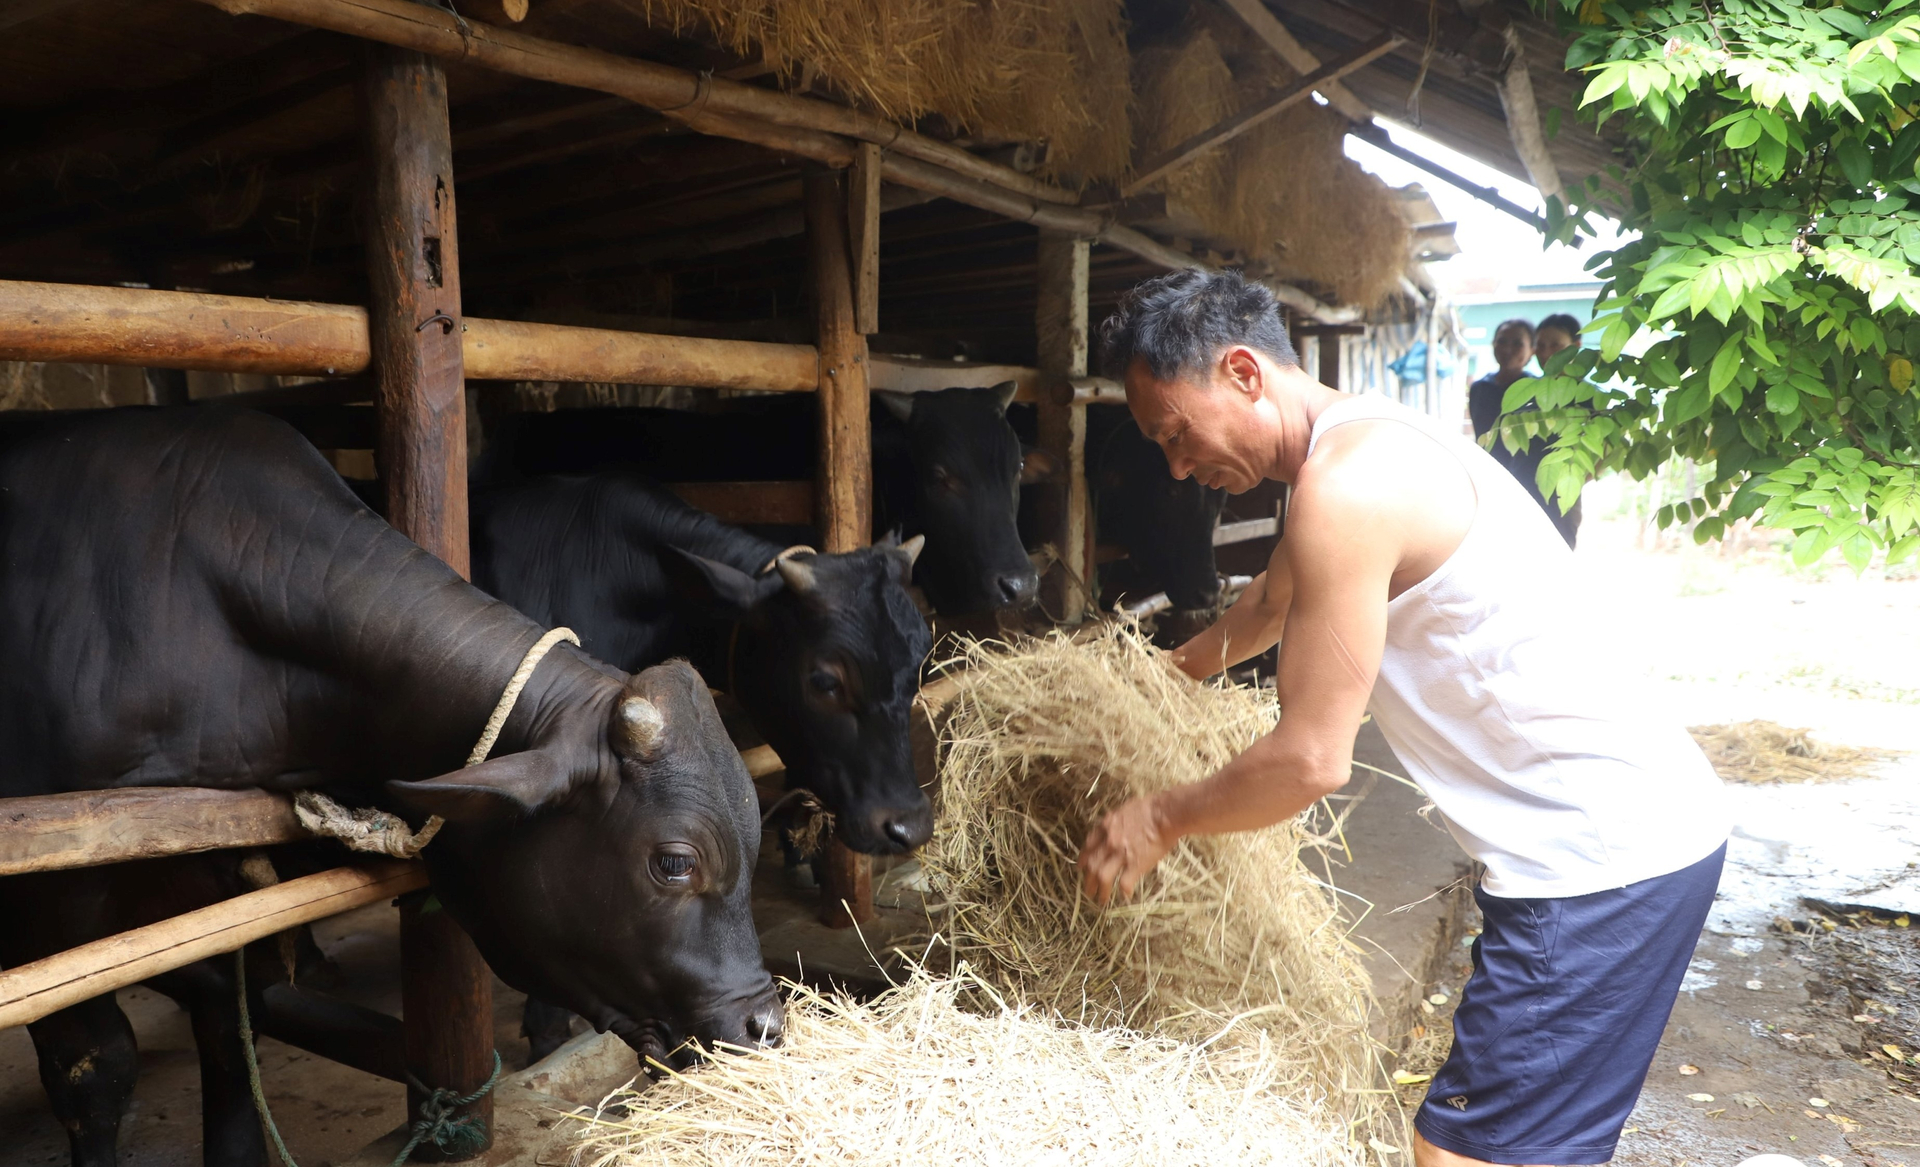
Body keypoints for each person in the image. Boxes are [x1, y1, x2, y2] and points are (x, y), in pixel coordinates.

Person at [1078, 270, 1728, 1167]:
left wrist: (1159, 816)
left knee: (1460, 1154)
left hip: (1593, 859)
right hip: (1631, 829)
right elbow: (1274, 598)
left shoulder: (1343, 492)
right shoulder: (1367, 438)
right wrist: (1167, 674)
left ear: (1241, 371)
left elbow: (1309, 760)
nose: (1177, 466)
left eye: (1174, 433)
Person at [1467, 318, 1580, 548]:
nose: (1508, 349)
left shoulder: (1539, 391)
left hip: (1534, 485)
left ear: (1531, 350)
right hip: (1490, 483)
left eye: (1518, 344)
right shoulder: (1479, 388)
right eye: (1502, 341)